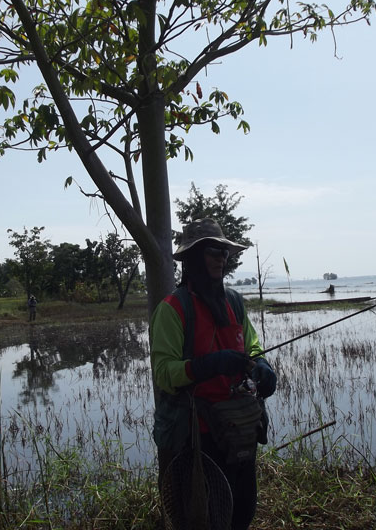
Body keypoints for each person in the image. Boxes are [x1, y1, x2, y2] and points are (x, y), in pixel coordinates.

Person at [151, 218, 277, 530]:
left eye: (224, 252)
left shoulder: (233, 301)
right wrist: (207, 365)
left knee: (242, 510)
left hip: (237, 428)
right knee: (202, 517)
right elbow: (164, 374)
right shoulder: (172, 309)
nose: (221, 258)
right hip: (196, 435)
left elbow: (252, 345)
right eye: (213, 251)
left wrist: (262, 366)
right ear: (192, 258)